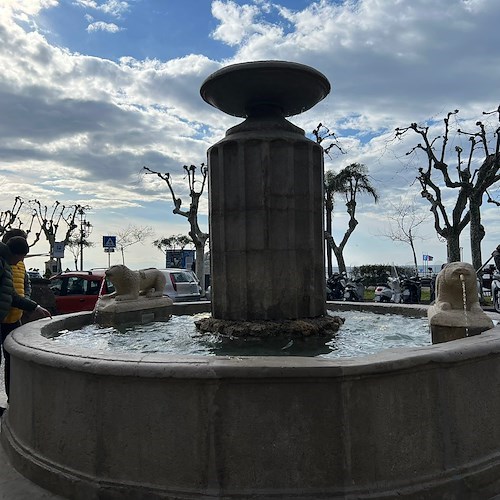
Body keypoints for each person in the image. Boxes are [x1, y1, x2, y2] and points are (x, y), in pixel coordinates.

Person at [0, 235, 51, 415]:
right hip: (3, 318)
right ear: (13, 252)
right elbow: (11, 295)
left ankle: (12, 397)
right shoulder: (3, 264)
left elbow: (16, 292)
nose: (21, 261)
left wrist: (32, 306)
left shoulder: (11, 263)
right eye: (21, 257)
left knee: (11, 360)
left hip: (13, 318)